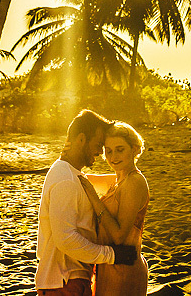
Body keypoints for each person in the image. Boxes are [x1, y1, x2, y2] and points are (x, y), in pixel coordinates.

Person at [36, 109, 137, 295]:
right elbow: (65, 239)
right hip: (64, 282)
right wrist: (112, 255)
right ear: (81, 139)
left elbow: (121, 182)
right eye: (98, 144)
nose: (100, 152)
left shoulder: (72, 174)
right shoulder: (65, 177)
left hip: (69, 281)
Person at [79, 121, 150, 295]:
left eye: (120, 149)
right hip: (108, 266)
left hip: (125, 269)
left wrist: (95, 199)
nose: (113, 157)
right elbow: (81, 177)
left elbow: (119, 236)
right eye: (108, 151)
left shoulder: (134, 182)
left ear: (134, 149)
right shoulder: (118, 179)